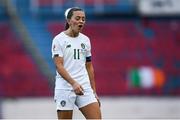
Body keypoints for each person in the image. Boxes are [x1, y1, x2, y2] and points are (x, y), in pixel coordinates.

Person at [51, 7, 102, 119]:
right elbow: (59, 65)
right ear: (69, 21)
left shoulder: (86, 40)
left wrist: (94, 91)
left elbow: (89, 67)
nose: (81, 21)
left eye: (83, 19)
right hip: (65, 87)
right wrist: (73, 83)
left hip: (84, 86)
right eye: (77, 18)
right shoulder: (58, 40)